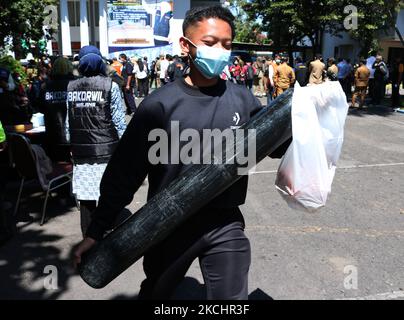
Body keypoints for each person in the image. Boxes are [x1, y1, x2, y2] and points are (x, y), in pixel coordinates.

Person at [73, 6, 289, 300]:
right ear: (186, 46)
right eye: (210, 43)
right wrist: (96, 231)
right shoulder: (159, 105)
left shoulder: (242, 99)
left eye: (226, 44)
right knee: (156, 295)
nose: (220, 51)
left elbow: (272, 146)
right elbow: (124, 173)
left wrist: (306, 127)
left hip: (224, 222)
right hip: (167, 224)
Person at [66, 45, 126, 237]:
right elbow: (118, 121)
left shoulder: (71, 87)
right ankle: (110, 235)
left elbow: (69, 121)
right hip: (107, 149)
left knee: (86, 196)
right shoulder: (111, 86)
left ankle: (88, 238)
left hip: (82, 151)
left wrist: (72, 143)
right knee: (108, 193)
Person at [39, 57, 75, 162]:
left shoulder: (45, 86)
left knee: (56, 167)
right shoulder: (76, 84)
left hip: (52, 135)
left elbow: (40, 107)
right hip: (74, 135)